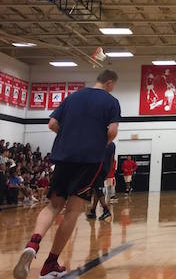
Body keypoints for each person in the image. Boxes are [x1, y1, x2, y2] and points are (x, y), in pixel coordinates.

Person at [13, 69, 120, 279]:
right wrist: (96, 144)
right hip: (88, 160)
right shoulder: (110, 101)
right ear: (109, 83)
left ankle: (33, 243)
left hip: (64, 156)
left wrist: (70, 138)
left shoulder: (73, 96)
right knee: (73, 210)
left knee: (53, 205)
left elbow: (52, 123)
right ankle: (50, 264)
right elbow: (112, 132)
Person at [87, 141, 116, 221]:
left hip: (98, 169)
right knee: (97, 189)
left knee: (98, 190)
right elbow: (112, 159)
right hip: (104, 170)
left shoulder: (99, 141)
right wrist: (108, 171)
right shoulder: (112, 144)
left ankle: (106, 210)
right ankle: (93, 211)